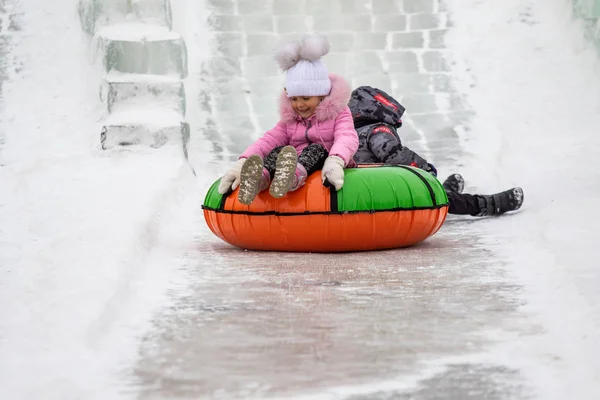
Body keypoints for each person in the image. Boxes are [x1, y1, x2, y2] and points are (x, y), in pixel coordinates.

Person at [217, 35, 359, 205]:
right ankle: (259, 179)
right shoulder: (291, 119)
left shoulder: (339, 113)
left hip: (327, 163)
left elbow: (347, 137)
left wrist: (335, 160)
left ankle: (292, 178)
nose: (299, 104)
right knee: (277, 151)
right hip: (292, 160)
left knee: (315, 150)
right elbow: (268, 140)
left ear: (322, 94)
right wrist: (243, 161)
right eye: (294, 98)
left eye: (306, 98)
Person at [348, 86, 524, 217]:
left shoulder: (350, 134)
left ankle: (445, 189)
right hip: (387, 190)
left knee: (435, 192)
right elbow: (396, 155)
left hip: (369, 191)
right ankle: (485, 204)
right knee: (440, 197)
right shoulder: (377, 131)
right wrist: (424, 170)